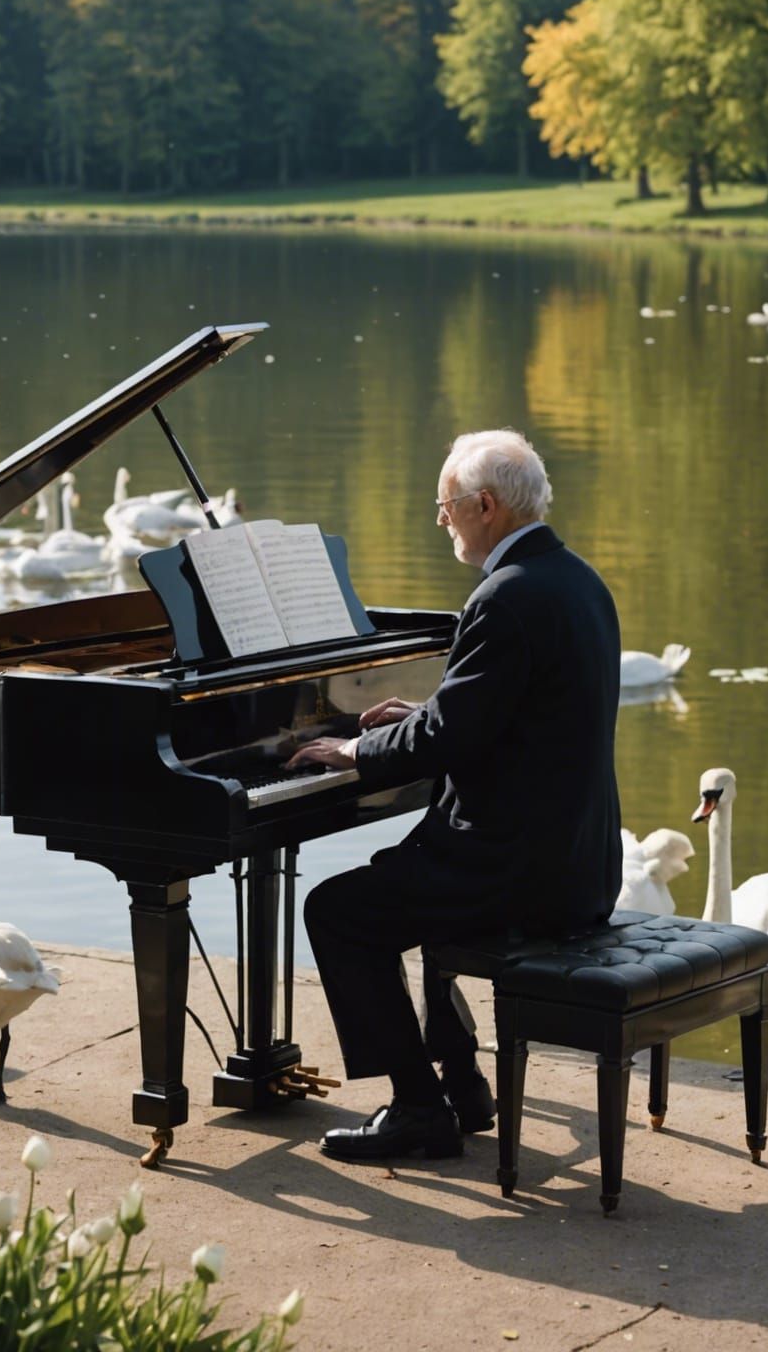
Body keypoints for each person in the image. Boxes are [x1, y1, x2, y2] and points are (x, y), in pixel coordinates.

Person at [289, 429, 622, 1161]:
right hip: (577, 859)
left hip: (515, 869)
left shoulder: (504, 598)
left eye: (446, 507)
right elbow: (504, 719)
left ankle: (418, 1108)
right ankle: (464, 1085)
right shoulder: (577, 580)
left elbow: (446, 742)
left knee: (338, 912)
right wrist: (425, 716)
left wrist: (353, 749)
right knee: (397, 871)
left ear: (484, 506)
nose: (441, 521)